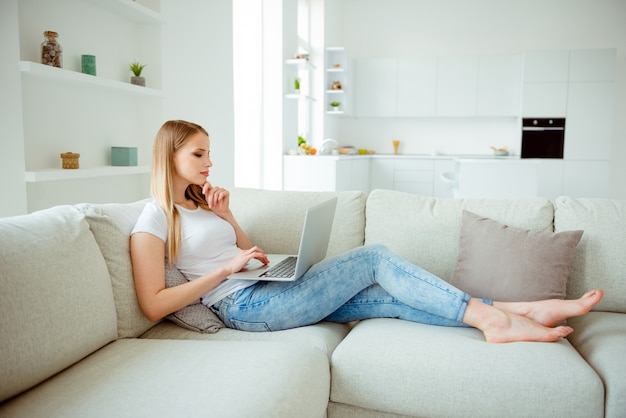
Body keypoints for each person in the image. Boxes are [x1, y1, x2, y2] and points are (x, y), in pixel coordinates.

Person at [130, 120, 603, 343]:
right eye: (198, 154)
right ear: (169, 156)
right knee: (374, 257)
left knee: (391, 299)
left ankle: (519, 311)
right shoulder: (152, 218)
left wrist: (229, 219)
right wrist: (227, 271)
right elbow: (153, 303)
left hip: (260, 288)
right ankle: (495, 320)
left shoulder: (198, 203)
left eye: (209, 151)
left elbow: (237, 250)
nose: (210, 162)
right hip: (242, 307)